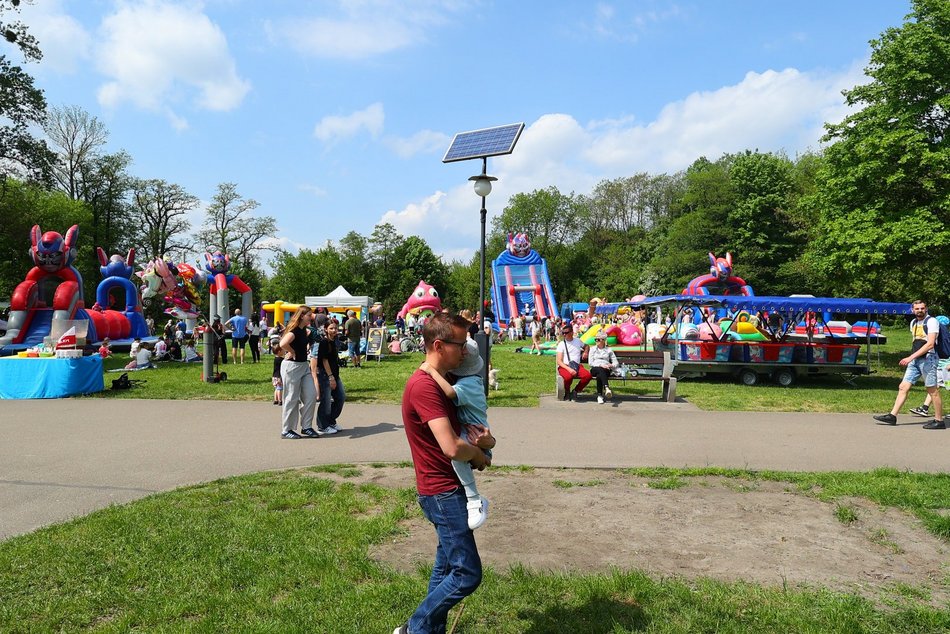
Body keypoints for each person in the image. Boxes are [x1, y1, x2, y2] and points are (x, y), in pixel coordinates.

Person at [395, 313, 493, 634]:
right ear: (438, 346)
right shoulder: (424, 386)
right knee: (467, 574)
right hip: (441, 492)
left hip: (450, 488)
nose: (465, 351)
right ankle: (414, 628)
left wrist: (486, 442)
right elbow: (451, 447)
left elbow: (472, 429)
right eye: (460, 344)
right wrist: (478, 455)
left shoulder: (448, 381)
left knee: (446, 567)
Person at [420, 338, 494, 530]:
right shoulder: (471, 380)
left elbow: (451, 393)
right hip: (473, 433)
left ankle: (474, 499)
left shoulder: (469, 383)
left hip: (474, 435)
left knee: (457, 455)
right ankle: (473, 499)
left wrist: (431, 371)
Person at [874, 299, 945, 430]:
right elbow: (915, 341)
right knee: (903, 387)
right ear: (912, 310)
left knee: (932, 390)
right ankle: (892, 416)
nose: (920, 311)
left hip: (928, 359)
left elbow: (930, 344)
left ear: (926, 309)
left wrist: (910, 357)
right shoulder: (913, 322)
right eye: (917, 309)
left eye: (922, 308)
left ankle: (939, 420)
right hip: (915, 360)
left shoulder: (932, 322)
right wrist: (913, 358)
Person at [279, 306, 319, 439]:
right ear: (302, 316)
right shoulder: (294, 331)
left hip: (303, 366)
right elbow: (282, 343)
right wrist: (292, 351)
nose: (311, 317)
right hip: (292, 367)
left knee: (311, 395)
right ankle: (287, 430)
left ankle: (306, 427)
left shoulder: (304, 330)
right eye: (309, 315)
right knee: (291, 398)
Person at [313, 321, 345, 435]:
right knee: (326, 401)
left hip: (335, 374)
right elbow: (324, 360)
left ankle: (331, 420)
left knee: (340, 397)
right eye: (331, 328)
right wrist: (331, 377)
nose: (334, 330)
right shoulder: (324, 342)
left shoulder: (335, 341)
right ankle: (323, 425)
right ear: (326, 329)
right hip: (325, 375)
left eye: (335, 328)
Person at [556, 323, 591, 400]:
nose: (564, 334)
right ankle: (567, 391)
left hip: (576, 366)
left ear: (571, 332)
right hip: (565, 366)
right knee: (568, 377)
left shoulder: (577, 341)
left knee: (587, 376)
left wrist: (585, 352)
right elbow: (559, 361)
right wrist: (569, 369)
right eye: (563, 333)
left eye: (566, 333)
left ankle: (576, 390)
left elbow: (586, 346)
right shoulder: (561, 344)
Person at [588, 331, 619, 404]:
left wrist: (611, 365)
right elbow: (590, 363)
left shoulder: (609, 350)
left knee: (600, 375)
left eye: (598, 339)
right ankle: (606, 387)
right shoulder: (592, 349)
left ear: (603, 340)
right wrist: (600, 365)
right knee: (600, 369)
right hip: (595, 368)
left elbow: (616, 362)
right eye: (595, 339)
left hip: (605, 369)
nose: (596, 341)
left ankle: (600, 396)